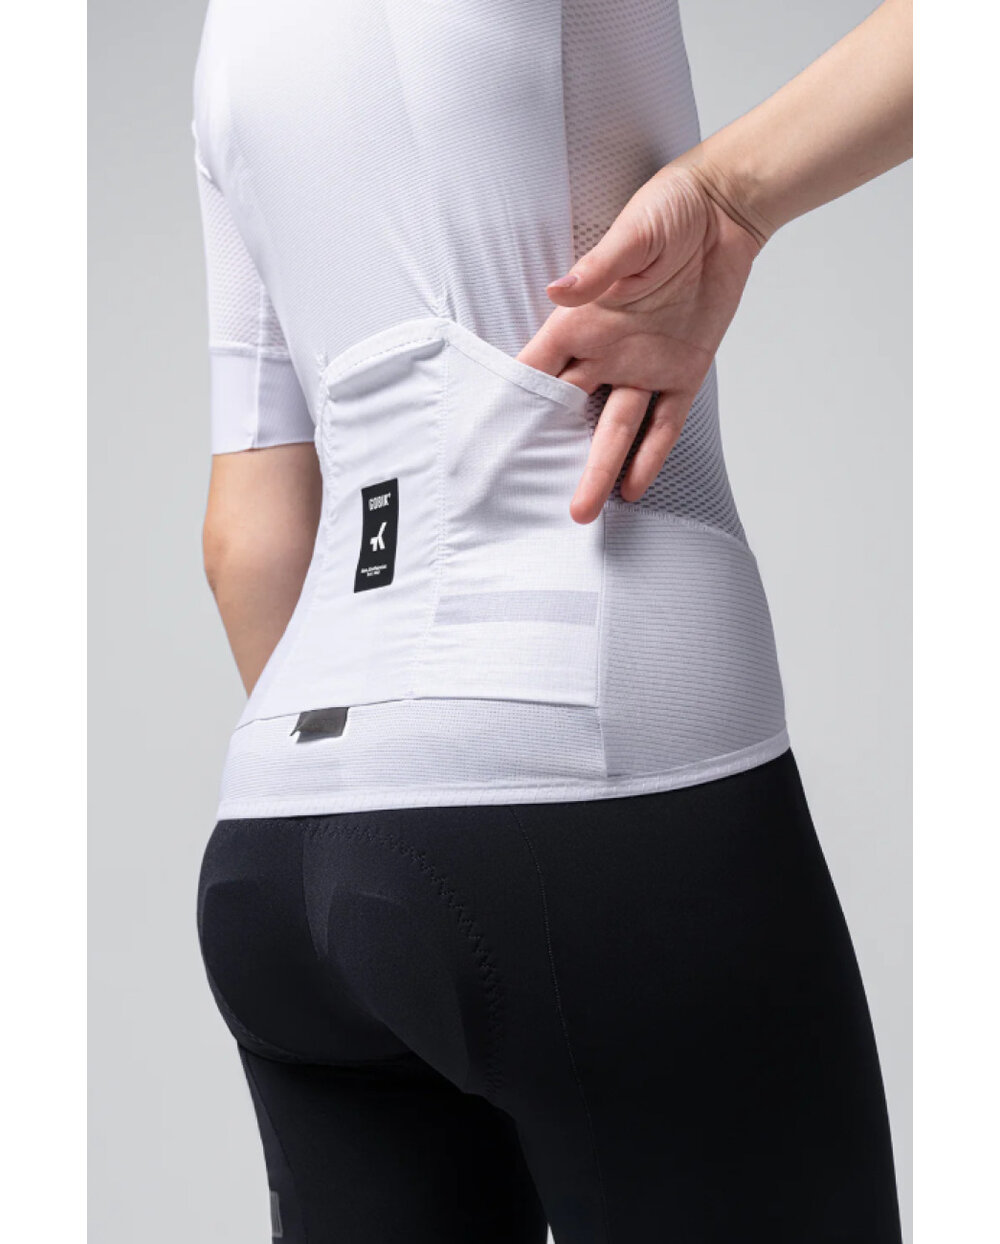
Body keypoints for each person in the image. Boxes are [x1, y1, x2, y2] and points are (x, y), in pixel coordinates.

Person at [192, 1, 911, 1239]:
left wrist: (389, 801)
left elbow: (246, 534)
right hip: (591, 771)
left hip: (282, 848)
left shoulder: (233, 44)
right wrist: (729, 200)